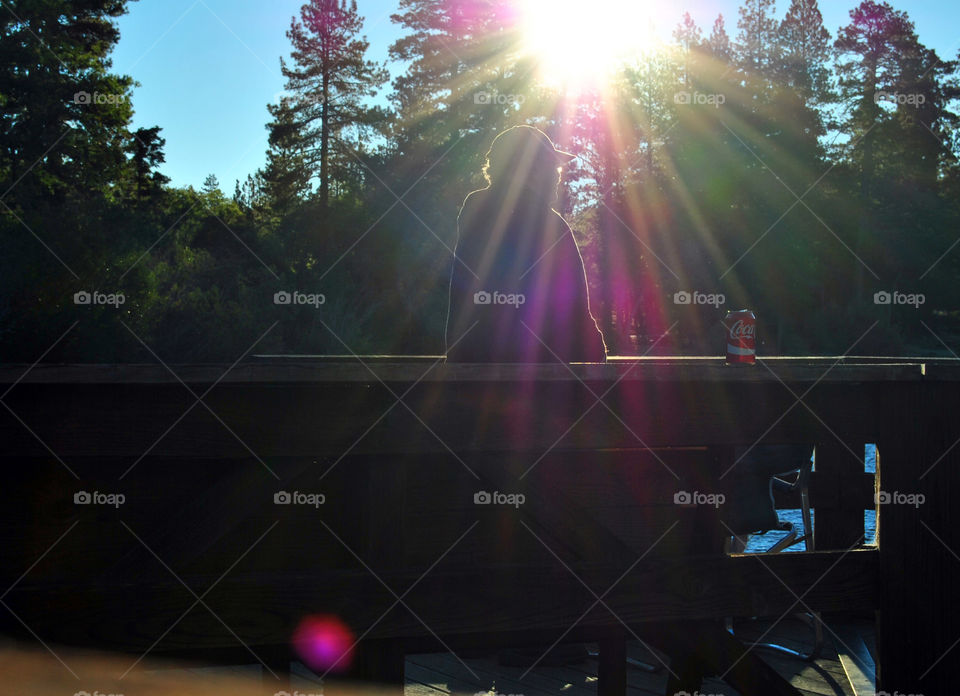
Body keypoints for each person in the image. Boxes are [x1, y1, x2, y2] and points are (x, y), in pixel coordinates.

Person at [445, 125, 606, 363]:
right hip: (538, 377)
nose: (558, 176)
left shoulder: (477, 209)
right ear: (530, 170)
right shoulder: (550, 225)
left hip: (468, 365)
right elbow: (575, 311)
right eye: (553, 167)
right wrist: (597, 359)